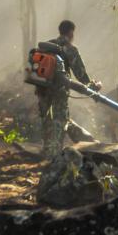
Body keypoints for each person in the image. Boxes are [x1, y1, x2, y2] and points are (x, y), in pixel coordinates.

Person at [36, 20, 101, 158]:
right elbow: (81, 75)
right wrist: (93, 86)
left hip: (42, 89)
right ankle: (54, 154)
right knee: (60, 120)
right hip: (60, 91)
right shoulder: (69, 49)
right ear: (71, 32)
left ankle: (46, 149)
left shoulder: (46, 45)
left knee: (46, 118)